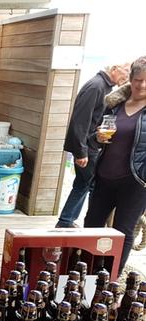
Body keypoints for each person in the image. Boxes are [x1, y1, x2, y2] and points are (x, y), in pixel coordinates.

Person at [84, 56, 146, 274]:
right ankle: (85, 271)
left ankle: (110, 279)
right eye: (138, 79)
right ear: (130, 79)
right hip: (104, 176)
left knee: (123, 232)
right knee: (91, 226)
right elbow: (92, 136)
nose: (142, 85)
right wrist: (97, 138)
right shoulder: (114, 104)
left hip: (135, 182)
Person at [56, 63, 130, 228]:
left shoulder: (103, 87)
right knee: (90, 184)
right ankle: (75, 222)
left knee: (83, 183)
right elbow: (80, 121)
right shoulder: (96, 86)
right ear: (114, 69)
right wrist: (81, 152)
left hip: (90, 144)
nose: (127, 75)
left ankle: (66, 221)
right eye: (126, 70)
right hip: (88, 146)